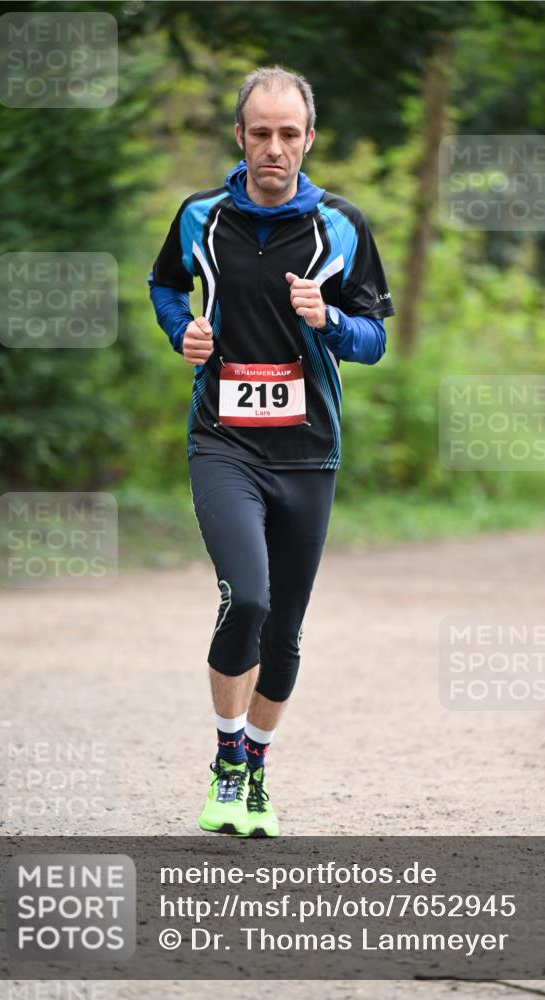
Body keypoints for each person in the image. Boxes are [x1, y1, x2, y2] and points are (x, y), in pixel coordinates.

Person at [149, 65, 394, 838]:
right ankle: (226, 758)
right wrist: (179, 330)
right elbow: (164, 286)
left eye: (289, 134)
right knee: (245, 600)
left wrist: (328, 321)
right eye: (261, 133)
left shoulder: (342, 226)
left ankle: (255, 770)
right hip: (222, 443)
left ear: (309, 139)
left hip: (308, 451)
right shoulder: (200, 217)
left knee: (283, 630)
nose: (274, 148)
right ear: (240, 137)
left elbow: (375, 338)